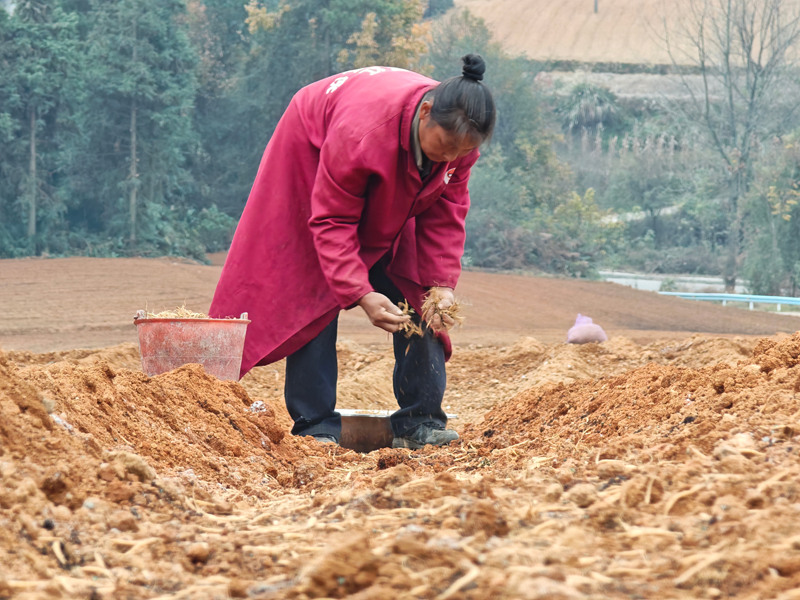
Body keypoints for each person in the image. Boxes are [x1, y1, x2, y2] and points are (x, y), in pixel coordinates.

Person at [209, 54, 496, 449]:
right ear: (426, 112)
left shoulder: (459, 145)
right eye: (444, 146)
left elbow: (447, 210)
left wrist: (442, 284)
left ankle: (421, 421)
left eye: (460, 153)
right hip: (314, 149)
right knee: (315, 285)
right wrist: (361, 293)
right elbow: (332, 223)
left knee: (421, 295)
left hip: (396, 170)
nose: (450, 158)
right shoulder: (360, 133)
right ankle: (316, 425)